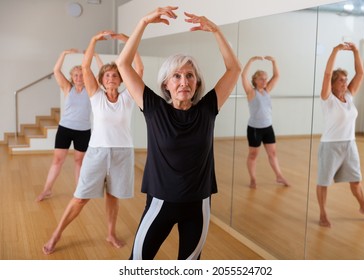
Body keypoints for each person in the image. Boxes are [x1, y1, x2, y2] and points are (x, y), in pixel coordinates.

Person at [116, 6, 241, 260]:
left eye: (189, 76)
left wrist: (216, 31)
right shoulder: (154, 108)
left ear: (196, 83)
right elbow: (123, 64)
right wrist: (143, 21)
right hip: (161, 203)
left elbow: (234, 69)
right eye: (176, 76)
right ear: (166, 84)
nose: (184, 81)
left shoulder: (207, 109)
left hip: (198, 205)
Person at [42, 31, 143, 254]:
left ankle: (110, 233)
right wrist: (94, 40)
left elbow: (138, 68)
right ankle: (56, 234)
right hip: (97, 153)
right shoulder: (95, 96)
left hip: (123, 154)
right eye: (106, 76)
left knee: (113, 197)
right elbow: (86, 67)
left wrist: (127, 41)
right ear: (101, 80)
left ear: (122, 79)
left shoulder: (128, 97)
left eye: (115, 75)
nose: (110, 78)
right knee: (80, 198)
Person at [316, 42, 364, 227]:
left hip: (350, 144)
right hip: (330, 146)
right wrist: (335, 51)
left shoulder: (349, 96)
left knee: (356, 181)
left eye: (345, 78)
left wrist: (356, 52)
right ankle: (323, 213)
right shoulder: (328, 99)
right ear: (333, 83)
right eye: (341, 79)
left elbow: (361, 74)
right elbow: (327, 74)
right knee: (324, 182)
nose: (345, 81)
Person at [36, 49, 100, 202]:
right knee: (57, 160)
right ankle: (47, 189)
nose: (78, 77)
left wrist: (96, 56)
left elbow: (102, 74)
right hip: (65, 129)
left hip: (83, 131)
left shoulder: (91, 89)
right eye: (75, 75)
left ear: (85, 76)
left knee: (79, 161)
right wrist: (63, 53)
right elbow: (56, 70)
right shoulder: (67, 88)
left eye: (81, 74)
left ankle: (79, 191)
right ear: (71, 77)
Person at [241, 56, 289, 189]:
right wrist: (250, 61)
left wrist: (274, 61)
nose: (264, 81)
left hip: (268, 127)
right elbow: (243, 76)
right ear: (255, 80)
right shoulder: (251, 92)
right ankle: (253, 179)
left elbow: (277, 75)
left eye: (265, 78)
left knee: (273, 153)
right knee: (253, 155)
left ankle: (279, 176)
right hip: (255, 129)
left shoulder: (267, 91)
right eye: (261, 78)